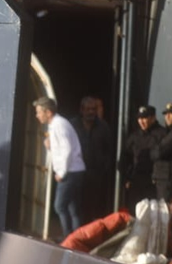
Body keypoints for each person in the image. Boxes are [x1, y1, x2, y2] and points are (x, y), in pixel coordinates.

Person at [33, 96, 86, 239]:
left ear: (48, 112)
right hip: (74, 170)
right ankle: (76, 239)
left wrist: (61, 173)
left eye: (39, 112)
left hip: (70, 172)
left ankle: (68, 237)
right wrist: (50, 146)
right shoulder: (56, 124)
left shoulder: (59, 124)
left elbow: (67, 149)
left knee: (59, 206)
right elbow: (62, 148)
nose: (37, 115)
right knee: (73, 208)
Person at [70, 96, 113, 224]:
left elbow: (109, 149)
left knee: (92, 207)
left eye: (93, 109)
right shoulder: (72, 125)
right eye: (88, 109)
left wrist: (104, 167)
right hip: (76, 173)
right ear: (81, 110)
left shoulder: (103, 127)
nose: (91, 112)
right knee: (75, 207)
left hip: (95, 174)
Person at [119, 105, 164, 210]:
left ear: (153, 118)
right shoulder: (134, 136)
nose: (141, 121)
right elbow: (124, 158)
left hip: (154, 184)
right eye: (139, 118)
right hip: (136, 182)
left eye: (144, 118)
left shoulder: (162, 134)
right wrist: (126, 178)